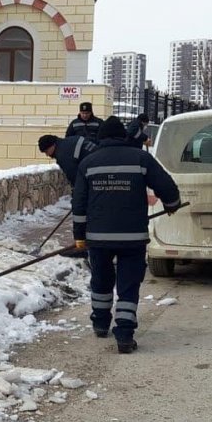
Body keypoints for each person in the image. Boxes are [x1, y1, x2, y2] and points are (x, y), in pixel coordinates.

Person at [72, 115, 181, 354]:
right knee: (128, 285)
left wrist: (79, 235)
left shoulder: (88, 163)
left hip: (98, 238)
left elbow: (79, 204)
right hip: (132, 237)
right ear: (123, 135)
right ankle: (124, 335)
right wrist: (172, 204)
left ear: (100, 138)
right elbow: (166, 186)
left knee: (100, 279)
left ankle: (100, 323)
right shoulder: (141, 158)